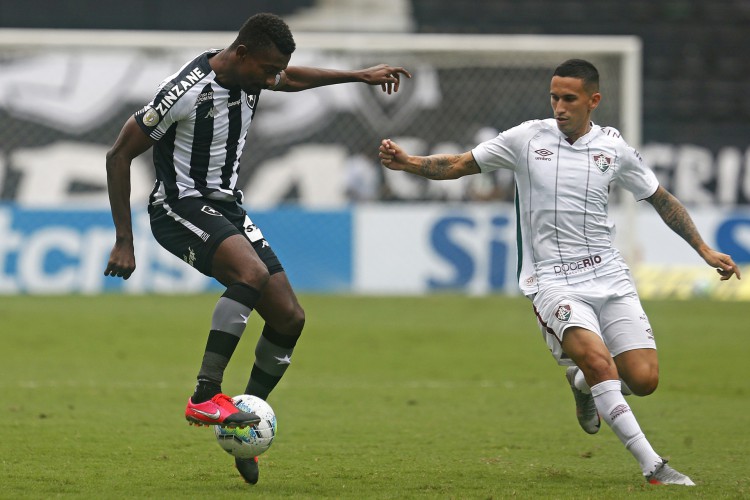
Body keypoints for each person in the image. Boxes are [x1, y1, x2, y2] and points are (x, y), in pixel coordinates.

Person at [378, 58, 740, 486]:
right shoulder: (526, 138)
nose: (560, 107)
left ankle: (582, 385)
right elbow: (458, 164)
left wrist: (703, 248)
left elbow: (660, 198)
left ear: (594, 101)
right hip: (552, 280)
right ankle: (655, 467)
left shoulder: (614, 148)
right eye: (554, 97)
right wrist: (408, 163)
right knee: (600, 363)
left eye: (570, 99)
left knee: (644, 380)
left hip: (609, 275)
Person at [103, 12, 410, 485]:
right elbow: (119, 153)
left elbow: (293, 77)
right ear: (241, 54)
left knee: (290, 317)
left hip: (226, 206)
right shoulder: (185, 90)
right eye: (267, 70)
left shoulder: (252, 73)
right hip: (178, 207)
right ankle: (206, 395)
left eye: (276, 71)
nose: (272, 79)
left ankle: (243, 424)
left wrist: (359, 74)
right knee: (251, 274)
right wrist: (124, 239)